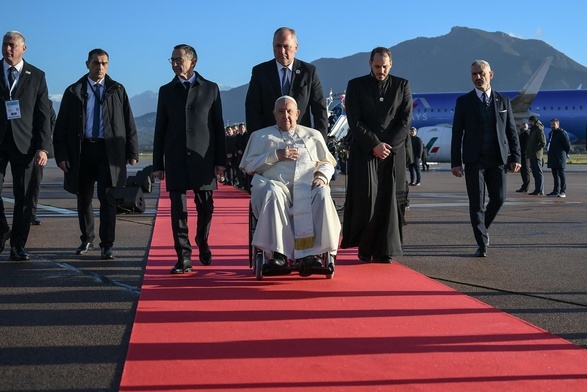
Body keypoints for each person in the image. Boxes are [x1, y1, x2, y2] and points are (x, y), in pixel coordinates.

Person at [53, 48, 139, 260]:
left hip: (109, 151)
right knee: (83, 197)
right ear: (87, 64)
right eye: (95, 63)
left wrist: (132, 151)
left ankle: (107, 244)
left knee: (108, 198)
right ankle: (87, 238)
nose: (100, 67)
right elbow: (61, 127)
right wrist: (62, 155)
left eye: (104, 63)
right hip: (82, 151)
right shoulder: (74, 91)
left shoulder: (117, 90)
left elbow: (129, 122)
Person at [239, 96, 340, 272]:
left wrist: (322, 177)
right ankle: (278, 255)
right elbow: (248, 166)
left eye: (289, 111)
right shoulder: (260, 136)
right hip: (275, 185)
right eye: (281, 111)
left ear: (298, 113)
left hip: (308, 187)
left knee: (323, 193)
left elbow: (327, 162)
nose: (285, 115)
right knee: (273, 192)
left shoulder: (313, 135)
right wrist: (276, 155)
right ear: (274, 114)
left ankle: (313, 254)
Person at [153, 44, 226, 274]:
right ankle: (183, 257)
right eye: (171, 60)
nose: (174, 64)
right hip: (175, 157)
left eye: (178, 60)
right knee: (178, 210)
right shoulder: (166, 91)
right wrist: (157, 164)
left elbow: (218, 126)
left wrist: (220, 160)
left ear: (193, 62)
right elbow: (160, 129)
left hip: (202, 158)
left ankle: (202, 240)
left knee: (206, 207)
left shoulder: (211, 89)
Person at [340, 47, 413, 263]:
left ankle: (385, 249)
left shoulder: (402, 85)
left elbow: (405, 119)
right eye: (377, 66)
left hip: (393, 152)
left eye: (385, 66)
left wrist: (387, 145)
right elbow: (354, 119)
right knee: (367, 199)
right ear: (370, 63)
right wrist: (374, 144)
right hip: (365, 151)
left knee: (389, 201)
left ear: (391, 64)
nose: (381, 70)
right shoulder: (356, 85)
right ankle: (365, 246)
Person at [451, 60, 521, 257]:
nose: (477, 77)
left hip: (497, 159)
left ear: (491, 75)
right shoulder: (463, 102)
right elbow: (457, 134)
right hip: (474, 161)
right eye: (474, 74)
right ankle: (482, 243)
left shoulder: (503, 101)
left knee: (499, 198)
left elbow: (512, 131)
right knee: (476, 202)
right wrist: (456, 162)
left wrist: (516, 156)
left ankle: (483, 228)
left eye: (481, 73)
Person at [0, 31, 52, 261]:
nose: (7, 49)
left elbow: (43, 116)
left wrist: (43, 147)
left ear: (24, 48)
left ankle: (18, 245)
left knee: (23, 197)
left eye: (12, 45)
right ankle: (2, 230)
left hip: (26, 143)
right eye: (4, 44)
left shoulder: (37, 76)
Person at [245, 27, 328, 140]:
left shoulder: (308, 72)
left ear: (296, 47)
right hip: (270, 140)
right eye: (278, 46)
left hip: (302, 139)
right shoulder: (260, 72)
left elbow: (320, 109)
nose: (282, 51)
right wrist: (257, 141)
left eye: (286, 46)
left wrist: (320, 141)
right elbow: (252, 109)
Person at [28, 101, 56, 225]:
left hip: (38, 149)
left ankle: (31, 214)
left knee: (34, 183)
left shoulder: (47, 103)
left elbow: (53, 122)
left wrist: (43, 142)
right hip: (18, 146)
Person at [546, 118, 570, 198]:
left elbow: (567, 145)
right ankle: (555, 190)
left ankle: (563, 191)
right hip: (552, 156)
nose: (552, 126)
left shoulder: (562, 133)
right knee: (555, 175)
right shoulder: (551, 133)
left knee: (561, 174)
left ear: (558, 124)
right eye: (551, 124)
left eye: (554, 124)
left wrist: (564, 153)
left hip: (560, 157)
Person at [526, 116, 546, 195]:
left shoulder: (538, 129)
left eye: (531, 121)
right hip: (531, 154)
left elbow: (543, 142)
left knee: (538, 173)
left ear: (534, 121)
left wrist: (535, 149)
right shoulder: (533, 129)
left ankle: (540, 190)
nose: (530, 123)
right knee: (534, 173)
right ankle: (537, 189)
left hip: (536, 154)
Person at [515, 121, 531, 193]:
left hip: (525, 155)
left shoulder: (527, 134)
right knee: (523, 171)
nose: (520, 127)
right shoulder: (523, 134)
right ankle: (524, 186)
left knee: (525, 171)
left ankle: (526, 187)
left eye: (521, 126)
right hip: (522, 154)